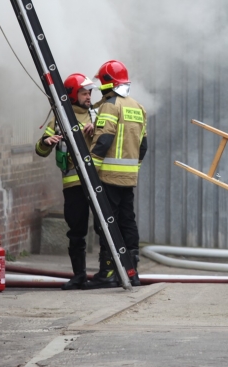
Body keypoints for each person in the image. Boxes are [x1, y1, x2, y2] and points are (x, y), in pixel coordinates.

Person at [83, 60, 148, 289]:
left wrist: (91, 168)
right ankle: (132, 270)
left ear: (108, 83)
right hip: (128, 178)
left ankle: (108, 271)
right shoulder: (138, 107)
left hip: (108, 177)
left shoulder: (110, 106)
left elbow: (105, 139)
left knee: (106, 223)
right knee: (127, 221)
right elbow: (143, 146)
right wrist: (133, 170)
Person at [35, 73, 97, 290]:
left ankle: (107, 274)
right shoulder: (60, 118)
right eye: (84, 92)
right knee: (76, 231)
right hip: (73, 185)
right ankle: (79, 275)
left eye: (90, 92)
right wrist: (46, 141)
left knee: (103, 227)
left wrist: (96, 130)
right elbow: (40, 150)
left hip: (97, 182)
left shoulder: (97, 115)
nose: (88, 96)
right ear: (72, 94)